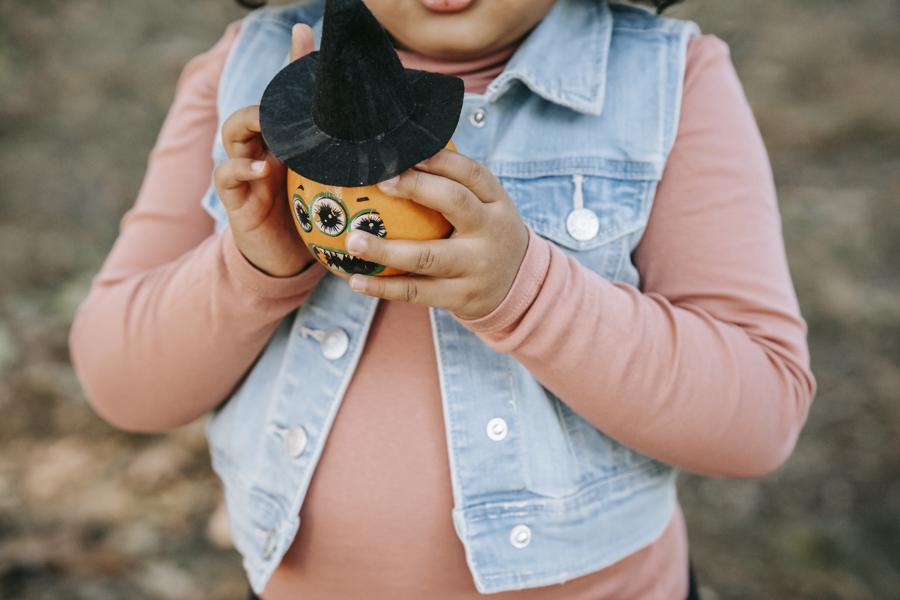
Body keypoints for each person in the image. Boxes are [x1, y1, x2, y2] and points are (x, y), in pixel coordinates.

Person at [68, 0, 816, 598]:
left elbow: (758, 416)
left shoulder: (666, 82)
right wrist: (249, 268)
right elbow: (120, 382)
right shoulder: (245, 73)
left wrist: (526, 291)